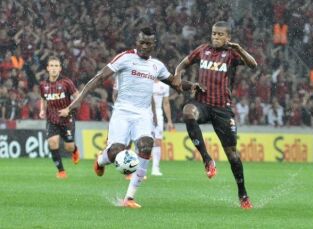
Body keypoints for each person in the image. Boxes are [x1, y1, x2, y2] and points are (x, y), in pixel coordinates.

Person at [58, 27, 197, 208]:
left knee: (146, 146)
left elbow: (175, 83)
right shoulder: (124, 58)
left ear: (154, 45)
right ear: (136, 42)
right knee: (116, 151)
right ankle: (101, 160)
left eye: (149, 43)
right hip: (122, 113)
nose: (144, 46)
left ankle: (129, 198)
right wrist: (79, 100)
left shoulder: (157, 66)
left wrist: (192, 86)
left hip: (143, 115)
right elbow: (100, 77)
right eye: (141, 42)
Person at [175, 21, 257, 209]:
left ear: (228, 37)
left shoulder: (232, 54)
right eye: (214, 33)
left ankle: (243, 194)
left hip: (222, 109)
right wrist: (178, 73)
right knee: (188, 112)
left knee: (232, 155)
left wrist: (240, 48)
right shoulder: (202, 50)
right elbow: (184, 62)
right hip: (203, 104)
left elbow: (253, 65)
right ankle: (207, 159)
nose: (216, 37)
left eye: (220, 35)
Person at [39, 56, 80, 179]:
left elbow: (78, 98)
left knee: (69, 147)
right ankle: (61, 171)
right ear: (47, 68)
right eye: (51, 66)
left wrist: (68, 109)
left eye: (56, 66)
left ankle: (74, 150)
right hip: (52, 119)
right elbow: (43, 98)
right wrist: (42, 110)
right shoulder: (43, 85)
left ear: (60, 68)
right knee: (52, 142)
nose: (53, 68)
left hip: (67, 120)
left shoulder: (67, 82)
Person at [151, 79, 174, 176]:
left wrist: (169, 120)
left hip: (158, 114)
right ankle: (138, 168)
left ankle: (155, 168)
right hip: (144, 113)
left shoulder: (164, 86)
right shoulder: (146, 81)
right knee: (141, 140)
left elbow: (166, 103)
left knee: (158, 140)